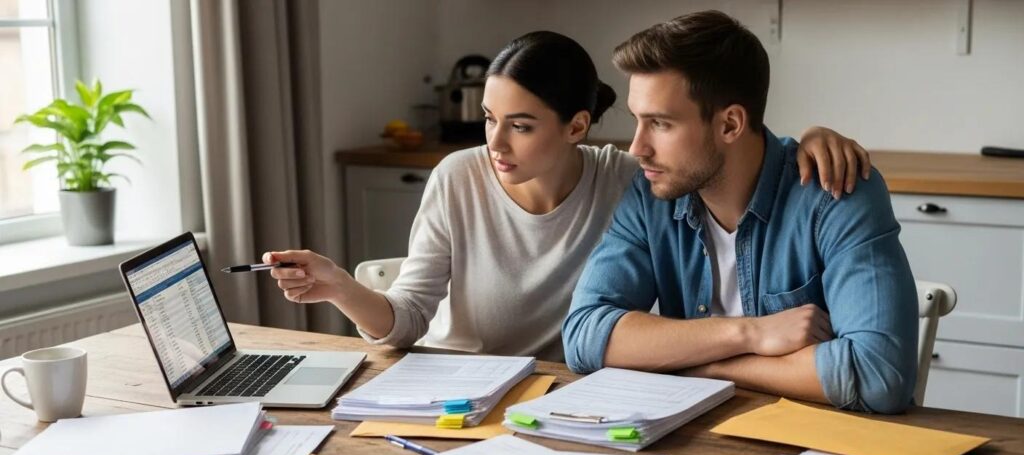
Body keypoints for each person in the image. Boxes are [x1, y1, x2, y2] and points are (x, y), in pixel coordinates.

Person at [265, 30, 870, 363]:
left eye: (521, 125)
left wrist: (810, 139)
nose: (495, 142)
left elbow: (719, 150)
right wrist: (341, 288)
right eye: (488, 117)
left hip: (559, 397)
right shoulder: (458, 176)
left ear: (576, 127)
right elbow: (407, 322)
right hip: (452, 386)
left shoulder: (627, 180)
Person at [562, 11, 918, 413]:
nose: (637, 147)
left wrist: (704, 365)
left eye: (660, 123)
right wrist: (749, 334)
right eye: (637, 121)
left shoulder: (836, 192)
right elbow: (584, 336)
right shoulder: (651, 196)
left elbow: (880, 375)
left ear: (730, 124)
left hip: (819, 451)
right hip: (702, 440)